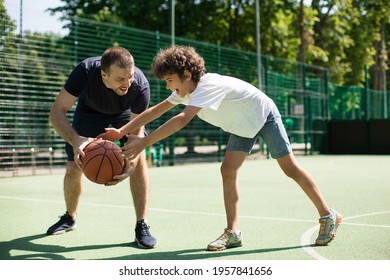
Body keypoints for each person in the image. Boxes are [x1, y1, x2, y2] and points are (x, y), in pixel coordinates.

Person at [98, 45, 341, 251]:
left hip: (263, 115)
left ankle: (327, 215)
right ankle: (233, 232)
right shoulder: (185, 89)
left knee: (290, 169)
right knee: (228, 170)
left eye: (170, 80)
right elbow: (156, 110)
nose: (169, 87)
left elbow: (182, 119)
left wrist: (143, 142)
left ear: (186, 73)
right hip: (242, 125)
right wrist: (121, 131)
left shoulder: (206, 85)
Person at [47, 46, 157, 249]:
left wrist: (131, 161)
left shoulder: (140, 86)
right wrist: (75, 139)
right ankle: (70, 217)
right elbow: (56, 112)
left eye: (130, 77)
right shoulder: (85, 72)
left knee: (139, 159)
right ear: (104, 75)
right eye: (120, 79)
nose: (127, 83)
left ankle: (142, 224)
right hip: (89, 111)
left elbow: (137, 135)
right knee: (73, 165)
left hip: (124, 114)